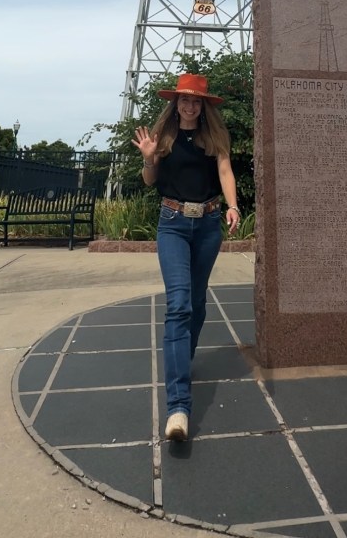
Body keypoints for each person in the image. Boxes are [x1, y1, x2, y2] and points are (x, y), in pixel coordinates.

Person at [132, 73, 241, 442]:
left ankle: (181, 362)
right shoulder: (163, 137)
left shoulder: (215, 137)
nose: (190, 106)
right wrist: (149, 159)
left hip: (209, 224)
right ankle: (178, 406)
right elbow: (149, 180)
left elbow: (225, 170)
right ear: (175, 103)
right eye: (184, 100)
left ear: (204, 105)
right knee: (178, 305)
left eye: (196, 101)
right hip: (173, 224)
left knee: (196, 303)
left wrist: (233, 206)